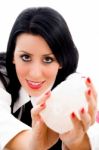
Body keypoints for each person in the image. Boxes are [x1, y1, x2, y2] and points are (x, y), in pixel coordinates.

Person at [0, 6, 97, 150]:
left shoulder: (73, 86)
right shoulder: (3, 75)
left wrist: (76, 142)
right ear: (13, 55)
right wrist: (34, 144)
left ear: (61, 61)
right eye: (25, 57)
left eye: (48, 59)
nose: (35, 74)